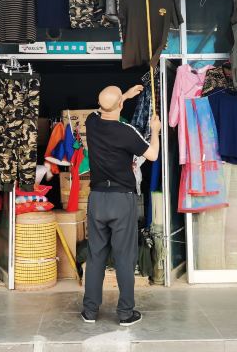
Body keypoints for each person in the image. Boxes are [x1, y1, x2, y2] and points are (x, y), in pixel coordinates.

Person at [81, 84, 161, 326]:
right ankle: (125, 313)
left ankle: (89, 312)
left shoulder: (91, 123)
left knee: (96, 255)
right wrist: (155, 131)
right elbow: (153, 155)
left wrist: (122, 97)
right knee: (124, 257)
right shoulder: (127, 132)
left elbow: (103, 109)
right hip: (121, 199)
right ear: (120, 106)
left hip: (97, 199)